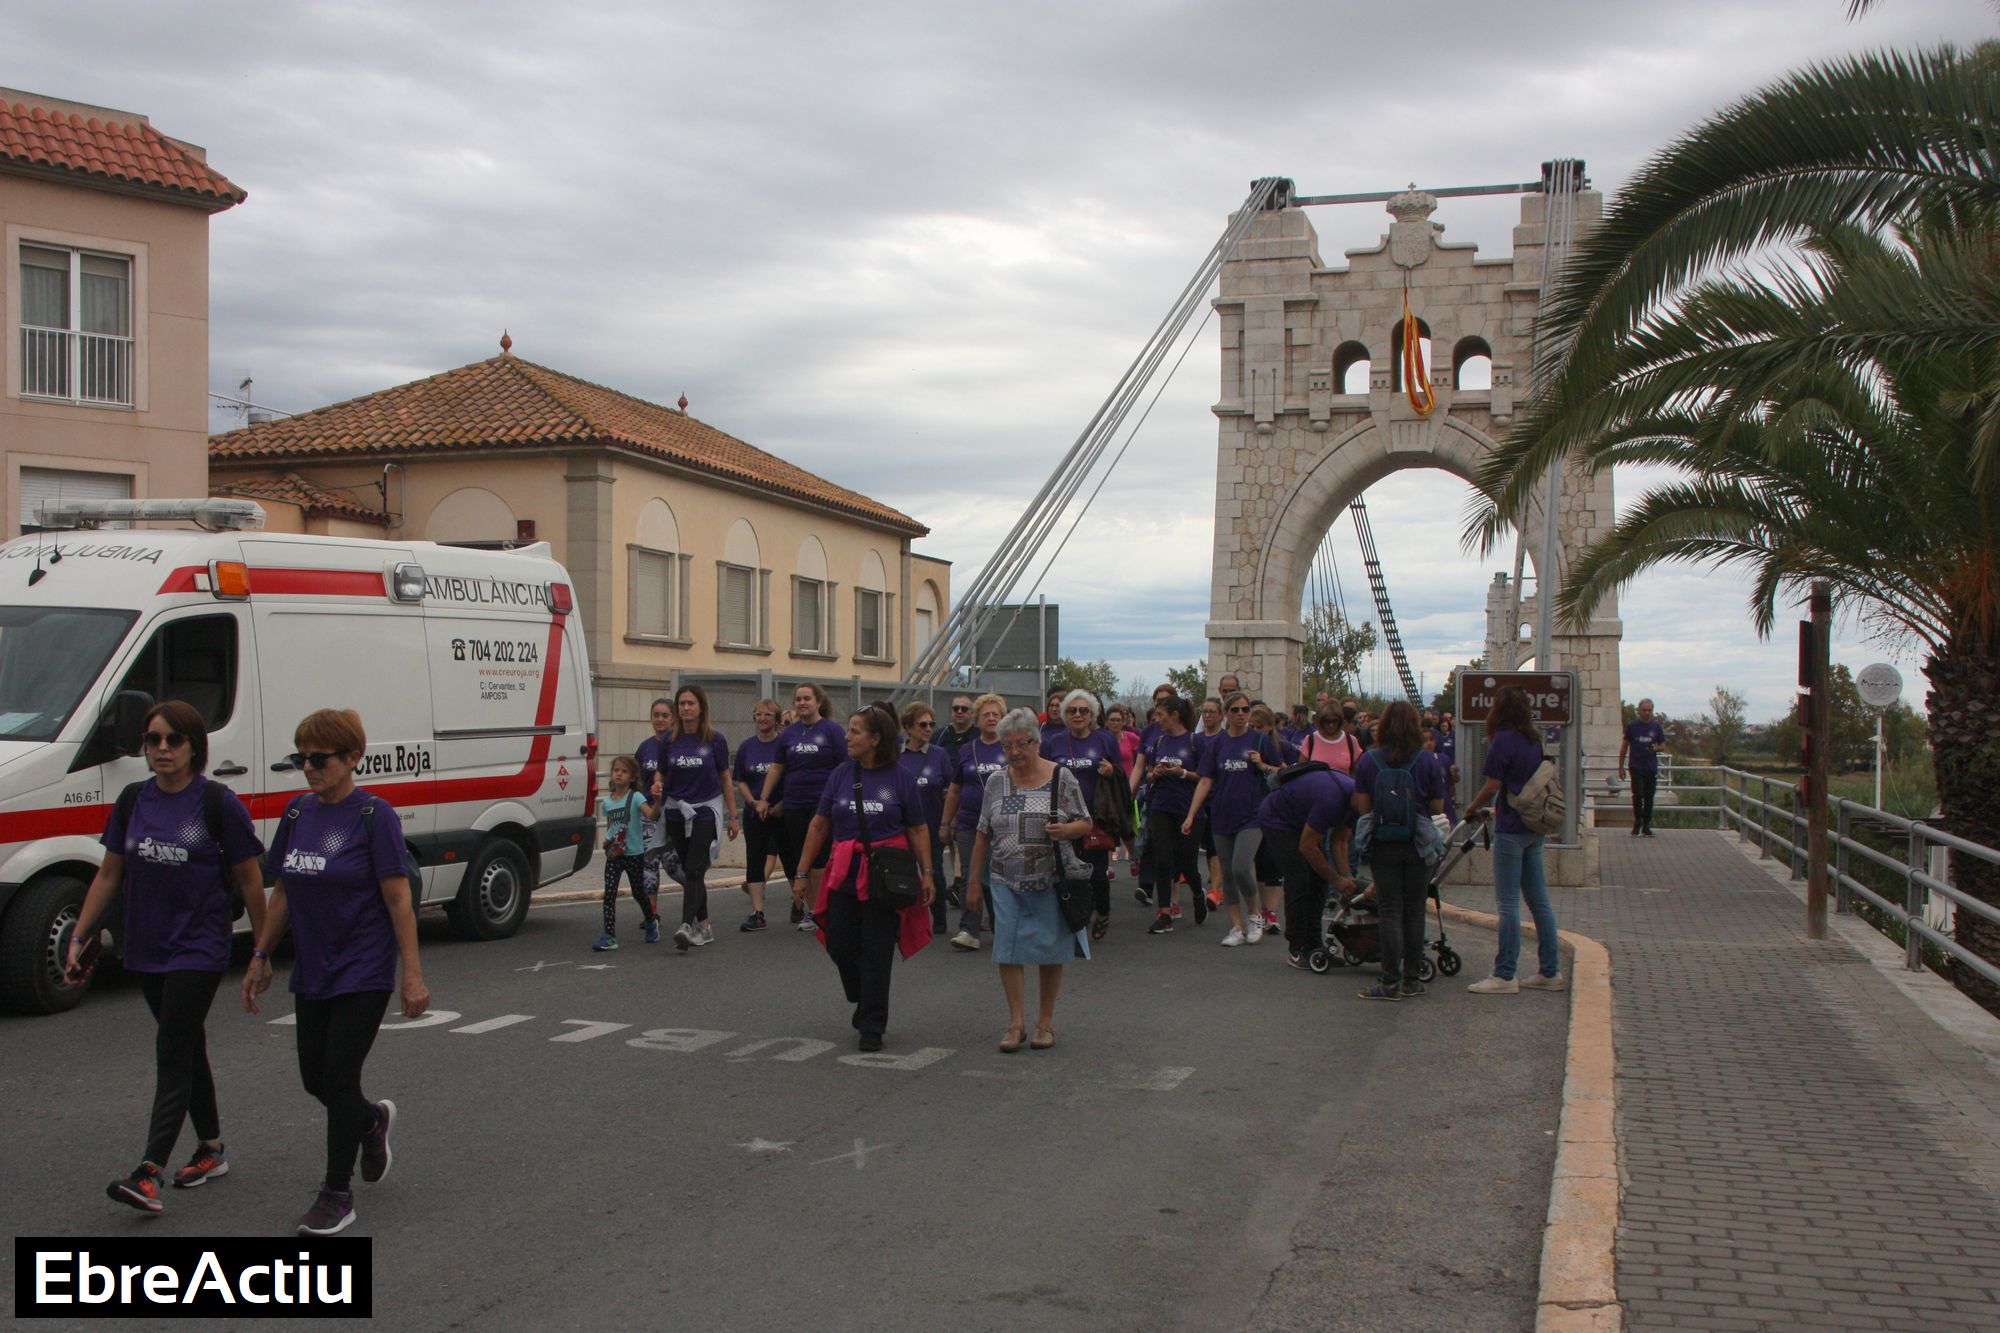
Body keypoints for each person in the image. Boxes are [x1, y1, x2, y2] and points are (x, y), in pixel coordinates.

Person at [73, 701, 266, 1214]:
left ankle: (148, 1172)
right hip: (146, 946)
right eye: (153, 739)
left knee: (172, 1049)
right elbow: (110, 873)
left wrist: (261, 951)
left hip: (198, 947)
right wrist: (80, 933)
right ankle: (211, 1149)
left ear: (194, 747)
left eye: (173, 740)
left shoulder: (218, 804)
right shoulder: (134, 800)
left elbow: (251, 882)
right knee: (187, 1045)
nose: (162, 749)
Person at [243, 708, 429, 1237]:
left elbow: (398, 900)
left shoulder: (374, 816)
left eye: (319, 758)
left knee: (339, 1077)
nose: (308, 767)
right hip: (314, 966)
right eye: (301, 757)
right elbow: (283, 891)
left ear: (352, 758)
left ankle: (336, 1194)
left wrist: (411, 975)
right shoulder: (298, 813)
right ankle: (371, 1121)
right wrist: (260, 955)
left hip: (364, 968)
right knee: (314, 1079)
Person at [798, 704, 935, 1050]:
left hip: (884, 879)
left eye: (855, 731)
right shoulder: (841, 775)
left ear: (876, 739)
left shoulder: (901, 778)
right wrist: (801, 872)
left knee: (877, 952)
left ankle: (872, 1026)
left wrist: (927, 873)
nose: (847, 737)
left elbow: (918, 829)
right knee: (840, 945)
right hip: (844, 876)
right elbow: (819, 825)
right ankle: (863, 996)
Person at [970, 707, 1091, 1051]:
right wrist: (973, 882)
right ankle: (1015, 1023)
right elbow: (982, 833)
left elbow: (1085, 822)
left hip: (1050, 877)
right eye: (1006, 746)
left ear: (1036, 742)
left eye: (1021, 744)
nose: (1014, 752)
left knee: (1050, 951)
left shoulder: (1061, 777)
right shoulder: (996, 781)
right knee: (1007, 949)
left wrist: (1066, 829)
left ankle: (1045, 1023)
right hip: (1004, 877)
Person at [1461, 685, 1565, 994]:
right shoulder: (1534, 740)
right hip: (1534, 826)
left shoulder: (1502, 740)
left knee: (1507, 904)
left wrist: (1471, 807)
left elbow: (1493, 784)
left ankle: (1505, 974)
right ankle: (1550, 970)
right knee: (1539, 901)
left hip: (1510, 828)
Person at [1350, 701, 1450, 1000]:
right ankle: (1411, 980)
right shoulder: (1427, 760)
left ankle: (1389, 982)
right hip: (1418, 844)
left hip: (1383, 842)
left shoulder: (1369, 760)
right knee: (1415, 911)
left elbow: (1363, 807)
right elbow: (1438, 806)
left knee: (1390, 910)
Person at [1184, 692, 1283, 946]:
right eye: (1235, 710)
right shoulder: (1218, 743)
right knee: (1227, 873)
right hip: (1221, 814)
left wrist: (1262, 765)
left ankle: (1254, 916)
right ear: (1226, 713)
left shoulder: (1259, 740)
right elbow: (1205, 780)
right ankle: (1236, 927)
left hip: (1252, 815)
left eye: (1245, 709)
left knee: (1241, 866)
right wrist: (1191, 815)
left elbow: (1282, 771)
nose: (1241, 714)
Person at [653, 684, 739, 950]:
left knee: (692, 868)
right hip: (676, 809)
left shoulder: (715, 739)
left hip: (705, 809)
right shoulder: (669, 740)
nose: (686, 708)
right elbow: (661, 772)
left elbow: (725, 778)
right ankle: (705, 926)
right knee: (694, 872)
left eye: (691, 703)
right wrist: (657, 785)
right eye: (682, 704)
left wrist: (733, 816)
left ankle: (685, 926)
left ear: (701, 707)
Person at [757, 683, 846, 931]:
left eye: (807, 698)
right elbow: (777, 767)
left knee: (819, 858)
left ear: (818, 702)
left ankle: (820, 912)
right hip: (795, 804)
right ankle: (812, 910)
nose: (802, 703)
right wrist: (764, 797)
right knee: (801, 858)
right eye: (798, 699)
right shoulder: (788, 734)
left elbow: (844, 765)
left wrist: (839, 794)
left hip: (823, 804)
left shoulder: (832, 731)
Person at [1255, 761, 1357, 969]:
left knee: (1319, 881)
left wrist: (1346, 876)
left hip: (1303, 820)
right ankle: (1297, 946)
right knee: (1299, 878)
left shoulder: (1358, 802)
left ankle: (1315, 943)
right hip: (1277, 819)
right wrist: (1337, 880)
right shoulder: (1332, 799)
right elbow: (1307, 846)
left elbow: (1339, 842)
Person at [1044, 689, 1122, 941]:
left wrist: (1111, 771)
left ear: (1092, 715)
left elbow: (1120, 774)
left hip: (1096, 816)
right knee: (1067, 870)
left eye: (1083, 711)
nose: (1077, 715)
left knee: (1097, 873)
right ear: (1065, 714)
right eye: (1072, 710)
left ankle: (1103, 911)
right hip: (1063, 818)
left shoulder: (1105, 740)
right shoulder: (1054, 742)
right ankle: (1077, 915)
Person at [941, 694, 1008, 951]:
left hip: (1002, 825)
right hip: (969, 823)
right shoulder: (966, 750)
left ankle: (1002, 926)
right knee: (971, 873)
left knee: (997, 875)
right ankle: (969, 929)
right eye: (986, 715)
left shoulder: (1010, 746)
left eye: (996, 715)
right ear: (977, 720)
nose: (991, 718)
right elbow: (955, 789)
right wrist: (945, 823)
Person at [1139, 696, 1207, 934]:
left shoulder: (1195, 741)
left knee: (1187, 862)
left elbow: (1205, 778)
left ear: (1175, 715)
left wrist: (1182, 773)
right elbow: (1148, 774)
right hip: (1161, 806)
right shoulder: (1159, 742)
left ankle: (1198, 893)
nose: (1157, 719)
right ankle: (1165, 913)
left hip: (1189, 808)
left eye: (1161, 715)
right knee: (1163, 859)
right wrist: (1156, 773)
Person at [898, 701, 957, 936]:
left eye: (931, 724)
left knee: (934, 871)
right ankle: (903, 920)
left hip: (931, 825)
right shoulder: (897, 755)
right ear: (908, 727)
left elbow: (951, 790)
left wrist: (948, 822)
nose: (928, 729)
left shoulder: (939, 755)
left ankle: (939, 919)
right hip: (901, 827)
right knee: (902, 874)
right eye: (922, 724)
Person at [732, 699, 788, 931]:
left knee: (791, 859)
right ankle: (758, 912)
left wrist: (781, 805)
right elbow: (740, 780)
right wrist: (753, 802)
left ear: (776, 719)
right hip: (755, 813)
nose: (763, 719)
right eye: (759, 714)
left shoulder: (784, 744)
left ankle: (801, 906)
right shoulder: (746, 747)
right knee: (755, 860)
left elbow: (793, 778)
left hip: (782, 811)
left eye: (768, 715)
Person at [594, 756, 660, 949]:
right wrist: (609, 844)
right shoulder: (607, 802)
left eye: (624, 771)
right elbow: (611, 826)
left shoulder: (636, 797)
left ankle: (651, 920)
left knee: (638, 892)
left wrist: (657, 801)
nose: (619, 774)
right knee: (609, 893)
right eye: (616, 770)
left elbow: (651, 815)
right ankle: (609, 935)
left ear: (632, 777)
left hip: (634, 853)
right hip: (615, 855)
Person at [633, 696, 674, 924]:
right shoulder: (645, 747)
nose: (660, 719)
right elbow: (636, 780)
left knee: (673, 865)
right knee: (648, 864)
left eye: (665, 715)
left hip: (673, 812)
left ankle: (696, 906)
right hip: (649, 813)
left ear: (673, 719)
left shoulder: (678, 745)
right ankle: (651, 914)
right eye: (656, 715)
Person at [1620, 698, 1666, 838]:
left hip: (1650, 767)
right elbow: (1624, 746)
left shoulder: (1656, 727)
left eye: (1649, 710)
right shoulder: (1632, 726)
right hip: (1636, 766)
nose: (1647, 713)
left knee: (1649, 797)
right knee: (1638, 795)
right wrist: (1620, 767)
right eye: (1644, 710)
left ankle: (1646, 825)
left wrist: (1655, 748)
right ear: (1639, 711)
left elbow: (1663, 745)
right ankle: (1637, 823)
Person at [1298, 704, 1363, 774]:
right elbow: (1301, 772)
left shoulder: (1351, 741)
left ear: (1340, 721)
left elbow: (1356, 773)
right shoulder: (1311, 740)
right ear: (1321, 721)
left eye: (1335, 721)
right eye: (1327, 721)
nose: (1331, 725)